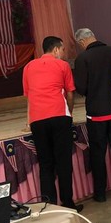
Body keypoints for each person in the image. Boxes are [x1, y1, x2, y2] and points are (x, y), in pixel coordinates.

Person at [23, 36, 83, 213]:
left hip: (37, 120)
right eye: (62, 49)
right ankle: (68, 204)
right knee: (63, 162)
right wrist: (69, 113)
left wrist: (29, 121)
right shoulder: (63, 65)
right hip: (59, 116)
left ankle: (49, 207)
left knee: (45, 164)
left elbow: (29, 97)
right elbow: (70, 94)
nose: (63, 53)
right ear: (56, 49)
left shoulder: (28, 67)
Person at [74, 28, 111, 203]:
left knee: (97, 155)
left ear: (82, 42)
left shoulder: (82, 58)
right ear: (93, 36)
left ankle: (100, 194)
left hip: (96, 114)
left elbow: (81, 88)